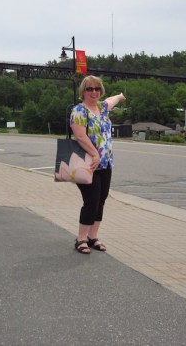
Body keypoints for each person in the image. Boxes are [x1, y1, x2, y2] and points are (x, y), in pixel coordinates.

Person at [70, 75, 126, 254]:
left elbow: (112, 100)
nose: (93, 92)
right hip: (88, 164)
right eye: (89, 89)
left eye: (97, 89)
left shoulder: (102, 108)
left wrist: (120, 96)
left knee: (101, 200)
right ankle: (81, 239)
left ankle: (92, 237)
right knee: (91, 201)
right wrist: (95, 153)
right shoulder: (79, 110)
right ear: (83, 92)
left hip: (106, 164)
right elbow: (80, 136)